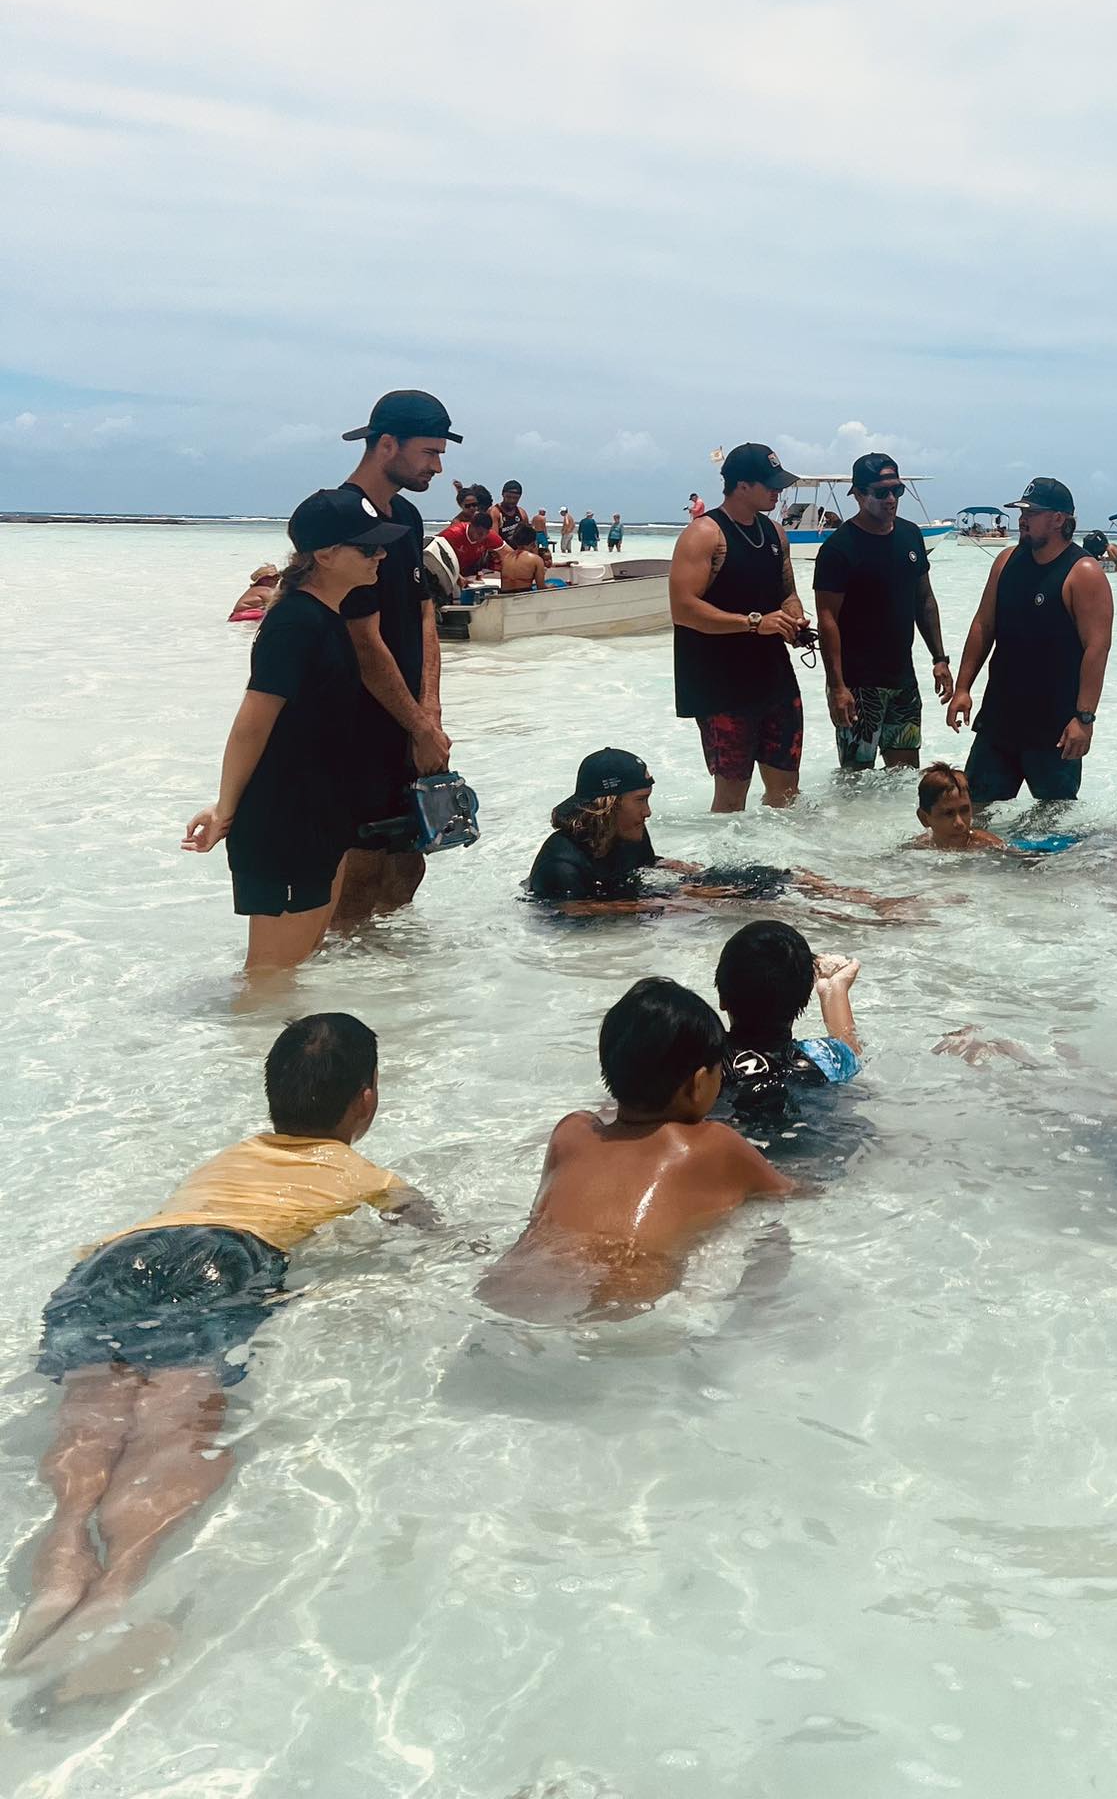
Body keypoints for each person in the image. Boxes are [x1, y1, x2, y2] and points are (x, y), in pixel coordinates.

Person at [9, 1015, 434, 1683]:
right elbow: (430, 1231)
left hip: (120, 1257)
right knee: (174, 1423)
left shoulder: (226, 1157)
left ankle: (62, 1562)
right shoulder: (363, 1173)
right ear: (367, 1098)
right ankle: (117, 1585)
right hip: (224, 1259)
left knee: (92, 1414)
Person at [184, 491, 412, 971]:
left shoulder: (328, 618)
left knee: (302, 967)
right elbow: (252, 721)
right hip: (284, 824)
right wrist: (226, 808)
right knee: (268, 979)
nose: (381, 555)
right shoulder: (294, 623)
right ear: (326, 555)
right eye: (367, 548)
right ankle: (247, 1049)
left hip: (321, 819)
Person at [479, 978, 793, 1322]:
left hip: (505, 1289)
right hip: (625, 1307)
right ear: (700, 1082)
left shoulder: (570, 1132)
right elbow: (791, 1194)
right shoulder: (713, 1145)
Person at [334, 389, 457, 923]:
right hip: (355, 722)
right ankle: (338, 981)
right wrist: (418, 724)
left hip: (410, 720)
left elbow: (424, 611)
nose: (437, 465)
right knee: (358, 872)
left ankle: (391, 988)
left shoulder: (406, 516)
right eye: (429, 453)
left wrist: (428, 710)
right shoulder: (340, 518)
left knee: (410, 863)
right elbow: (363, 641)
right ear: (387, 445)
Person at [526, 749, 901, 915]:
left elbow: (648, 863)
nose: (648, 812)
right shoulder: (561, 862)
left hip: (640, 895)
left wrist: (689, 872)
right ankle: (844, 921)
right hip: (612, 908)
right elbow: (570, 911)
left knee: (772, 877)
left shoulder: (626, 829)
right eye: (640, 800)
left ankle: (871, 902)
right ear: (607, 804)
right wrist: (676, 903)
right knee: (740, 905)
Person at [945, 476, 1113, 804]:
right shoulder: (1006, 561)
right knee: (974, 814)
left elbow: (1097, 648)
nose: (1021, 519)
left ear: (1058, 519)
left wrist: (1085, 719)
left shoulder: (1083, 572)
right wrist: (963, 687)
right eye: (1021, 512)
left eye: (1031, 513)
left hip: (1055, 731)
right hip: (999, 720)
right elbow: (983, 625)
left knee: (1051, 833)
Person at [669, 443, 810, 812]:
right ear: (742, 486)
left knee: (787, 794)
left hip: (773, 677)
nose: (777, 491)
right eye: (770, 484)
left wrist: (794, 616)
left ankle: (785, 862)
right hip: (721, 684)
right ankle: (725, 870)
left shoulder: (776, 534)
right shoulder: (704, 534)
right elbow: (683, 609)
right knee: (732, 800)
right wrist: (754, 623)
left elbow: (787, 592)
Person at [814, 451, 952, 772]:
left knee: (903, 781)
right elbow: (827, 621)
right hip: (857, 686)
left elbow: (924, 600)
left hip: (903, 680)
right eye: (881, 492)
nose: (891, 499)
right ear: (859, 494)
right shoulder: (839, 549)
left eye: (897, 491)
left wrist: (939, 659)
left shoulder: (910, 534)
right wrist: (837, 687)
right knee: (855, 782)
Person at [713, 919, 864, 1129]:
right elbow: (848, 1050)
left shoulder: (701, 1066)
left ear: (722, 998)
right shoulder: (825, 1059)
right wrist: (836, 989)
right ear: (803, 1000)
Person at [911, 762, 1007, 851]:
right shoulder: (916, 849)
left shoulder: (992, 846)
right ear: (924, 818)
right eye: (948, 813)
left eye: (965, 810)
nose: (959, 823)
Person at [438, 489, 504, 578]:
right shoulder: (456, 527)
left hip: (476, 561)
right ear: (461, 506)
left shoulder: (480, 519)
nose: (472, 508)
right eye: (468, 506)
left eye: (475, 505)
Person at [497, 522, 548, 594]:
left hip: (504, 597)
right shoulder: (536, 560)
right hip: (524, 597)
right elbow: (541, 588)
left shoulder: (506, 558)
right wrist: (551, 587)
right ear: (533, 542)